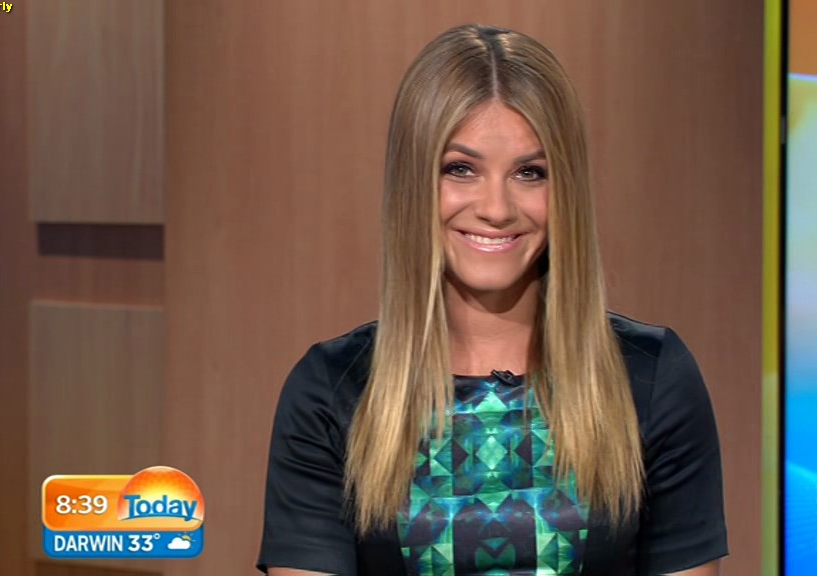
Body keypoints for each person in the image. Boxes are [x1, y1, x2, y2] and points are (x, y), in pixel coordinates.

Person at [257, 23, 727, 576]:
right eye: (461, 169)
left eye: (530, 173)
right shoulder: (331, 390)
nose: (496, 208)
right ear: (413, 183)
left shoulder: (651, 376)